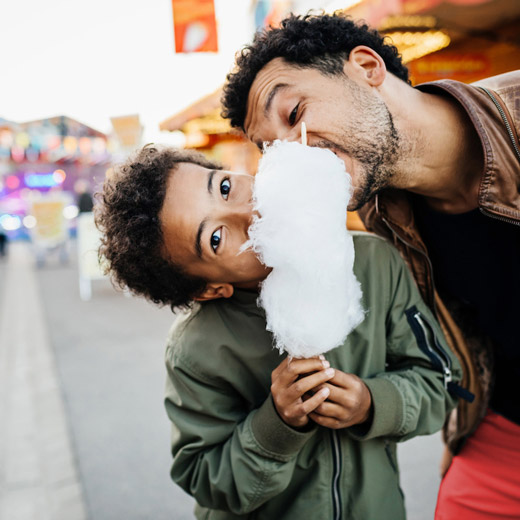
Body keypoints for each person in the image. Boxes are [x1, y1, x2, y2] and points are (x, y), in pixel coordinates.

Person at [220, 12, 520, 518]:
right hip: (499, 432)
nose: (290, 156)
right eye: (270, 148)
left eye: (294, 114)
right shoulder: (381, 216)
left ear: (365, 66)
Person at [95, 144, 462, 519]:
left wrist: (373, 403)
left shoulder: (374, 263)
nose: (250, 211)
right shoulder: (195, 349)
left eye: (223, 187)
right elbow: (205, 477)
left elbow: (443, 382)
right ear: (208, 290)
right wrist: (277, 425)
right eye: (216, 239)